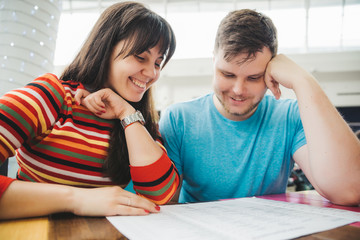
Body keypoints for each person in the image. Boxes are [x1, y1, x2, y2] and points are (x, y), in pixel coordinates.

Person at [159, 9, 360, 205]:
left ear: (271, 71)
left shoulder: (290, 117)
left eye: (254, 77)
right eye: (228, 75)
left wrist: (303, 80)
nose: (238, 90)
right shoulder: (178, 120)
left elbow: (349, 190)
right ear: (214, 62)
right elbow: (166, 207)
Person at [0, 1, 179, 220]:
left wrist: (126, 113)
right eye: (141, 57)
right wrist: (77, 199)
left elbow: (161, 195)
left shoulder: (137, 121)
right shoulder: (51, 95)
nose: (151, 72)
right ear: (106, 47)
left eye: (158, 63)